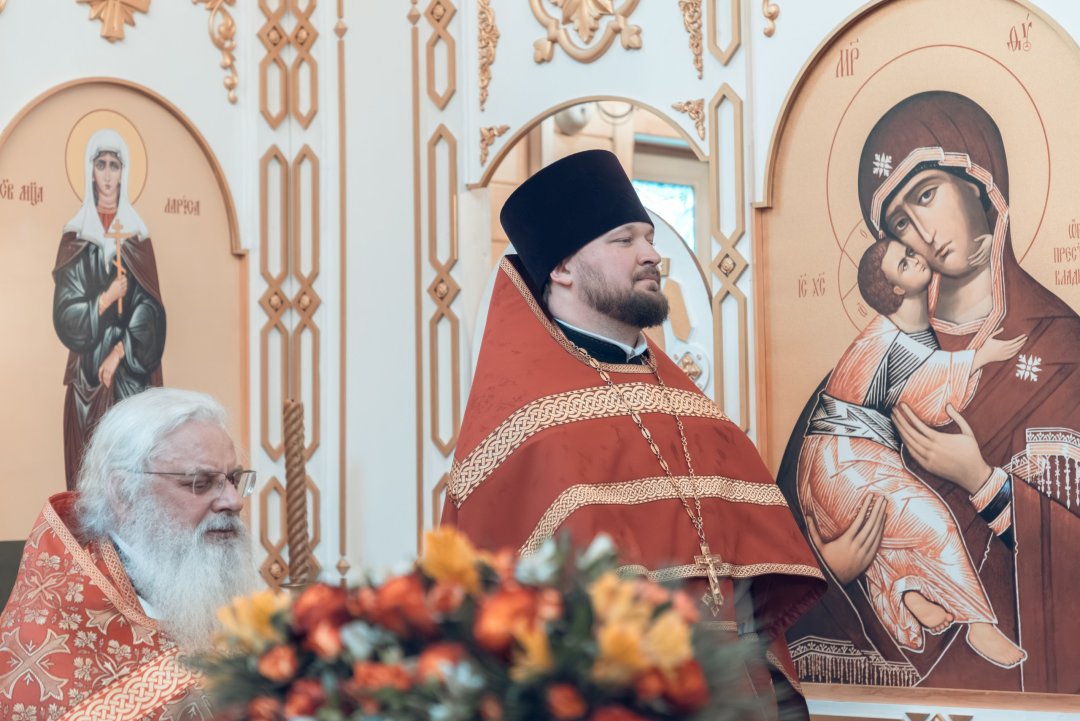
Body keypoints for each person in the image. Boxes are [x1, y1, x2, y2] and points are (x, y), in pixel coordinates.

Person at [442, 149, 826, 718]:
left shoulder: (696, 415)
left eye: (648, 238)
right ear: (562, 268)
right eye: (624, 240)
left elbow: (750, 598)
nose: (651, 255)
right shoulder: (527, 430)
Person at [779, 91, 1080, 693]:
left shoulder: (1063, 353)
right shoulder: (862, 371)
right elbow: (792, 541)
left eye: (924, 195)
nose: (920, 233)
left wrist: (982, 482)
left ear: (981, 181)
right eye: (898, 224)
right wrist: (831, 567)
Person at [798, 238, 1024, 664]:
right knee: (933, 522)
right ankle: (978, 624)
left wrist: (983, 256)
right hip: (842, 462)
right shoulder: (886, 340)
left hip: (856, 457)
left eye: (911, 251)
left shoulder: (912, 314)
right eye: (905, 261)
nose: (917, 257)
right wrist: (979, 357)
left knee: (890, 534)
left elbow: (937, 290)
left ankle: (906, 594)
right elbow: (927, 392)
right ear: (895, 289)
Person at [0, 388, 259, 720]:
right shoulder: (52, 634)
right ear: (123, 493)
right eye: (200, 482)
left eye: (233, 479)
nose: (234, 501)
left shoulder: (213, 575)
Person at [54, 128, 166, 490]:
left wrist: (119, 352)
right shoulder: (75, 236)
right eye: (100, 164)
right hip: (86, 376)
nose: (106, 174)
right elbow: (65, 315)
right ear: (90, 171)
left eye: (113, 165)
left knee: (130, 479)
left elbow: (151, 313)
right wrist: (105, 298)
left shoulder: (137, 239)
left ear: (124, 173)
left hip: (130, 378)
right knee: (86, 482)